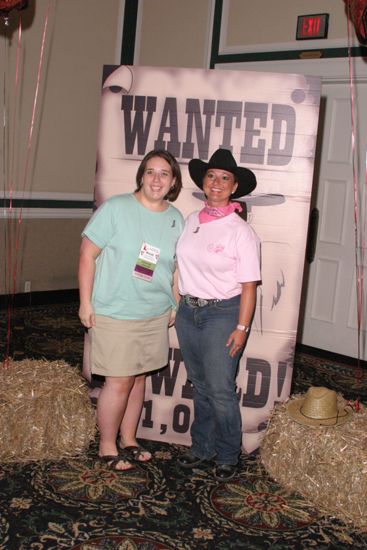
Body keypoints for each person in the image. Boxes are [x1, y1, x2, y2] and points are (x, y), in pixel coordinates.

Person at [78, 149, 183, 471]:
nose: (156, 179)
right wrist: (85, 301)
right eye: (150, 172)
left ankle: (129, 439)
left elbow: (176, 268)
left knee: (138, 380)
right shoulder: (116, 208)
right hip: (115, 311)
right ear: (141, 176)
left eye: (164, 173)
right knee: (119, 382)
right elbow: (87, 255)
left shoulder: (175, 218)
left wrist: (174, 304)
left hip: (153, 312)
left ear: (173, 181)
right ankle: (107, 446)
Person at [175, 148, 261, 481]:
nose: (216, 182)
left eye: (224, 177)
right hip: (188, 313)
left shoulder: (241, 231)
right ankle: (202, 447)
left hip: (222, 314)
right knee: (200, 385)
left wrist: (242, 327)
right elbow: (178, 265)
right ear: (203, 181)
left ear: (234, 186)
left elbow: (249, 286)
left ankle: (227, 453)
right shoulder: (191, 220)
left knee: (221, 388)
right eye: (211, 175)